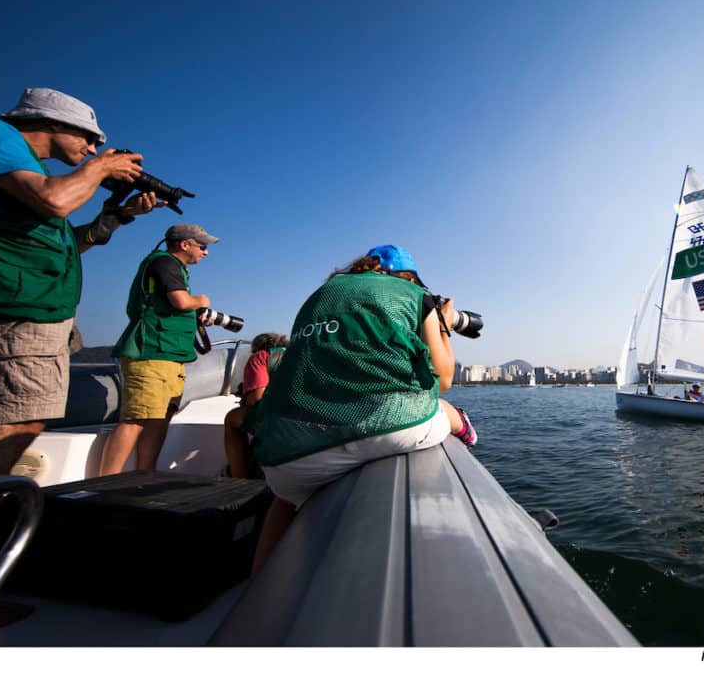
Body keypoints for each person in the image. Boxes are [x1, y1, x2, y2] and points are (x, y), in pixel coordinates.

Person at [0, 88, 161, 635]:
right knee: (14, 422)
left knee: (13, 421)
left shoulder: (27, 178)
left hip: (28, 308)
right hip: (10, 311)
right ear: (50, 121)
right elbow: (55, 202)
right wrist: (101, 167)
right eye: (88, 137)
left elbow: (58, 239)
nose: (93, 147)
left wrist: (115, 217)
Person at [249, 244, 478, 572]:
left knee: (283, 501)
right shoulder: (413, 294)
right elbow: (443, 378)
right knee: (443, 406)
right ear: (407, 276)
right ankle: (465, 431)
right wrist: (441, 324)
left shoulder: (322, 293)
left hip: (283, 459)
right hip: (387, 429)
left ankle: (258, 594)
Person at [98, 223, 219, 475]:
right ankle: (103, 484)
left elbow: (171, 306)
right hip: (151, 353)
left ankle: (146, 475)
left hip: (169, 356)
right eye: (202, 246)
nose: (206, 253)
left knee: (159, 419)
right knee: (136, 418)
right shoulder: (165, 263)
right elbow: (181, 301)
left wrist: (195, 316)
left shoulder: (175, 268)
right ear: (184, 244)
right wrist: (201, 301)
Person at [223, 332, 289, 479]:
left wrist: (245, 400)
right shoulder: (297, 356)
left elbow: (256, 399)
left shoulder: (261, 357)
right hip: (308, 415)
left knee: (232, 419)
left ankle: (239, 479)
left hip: (280, 419)